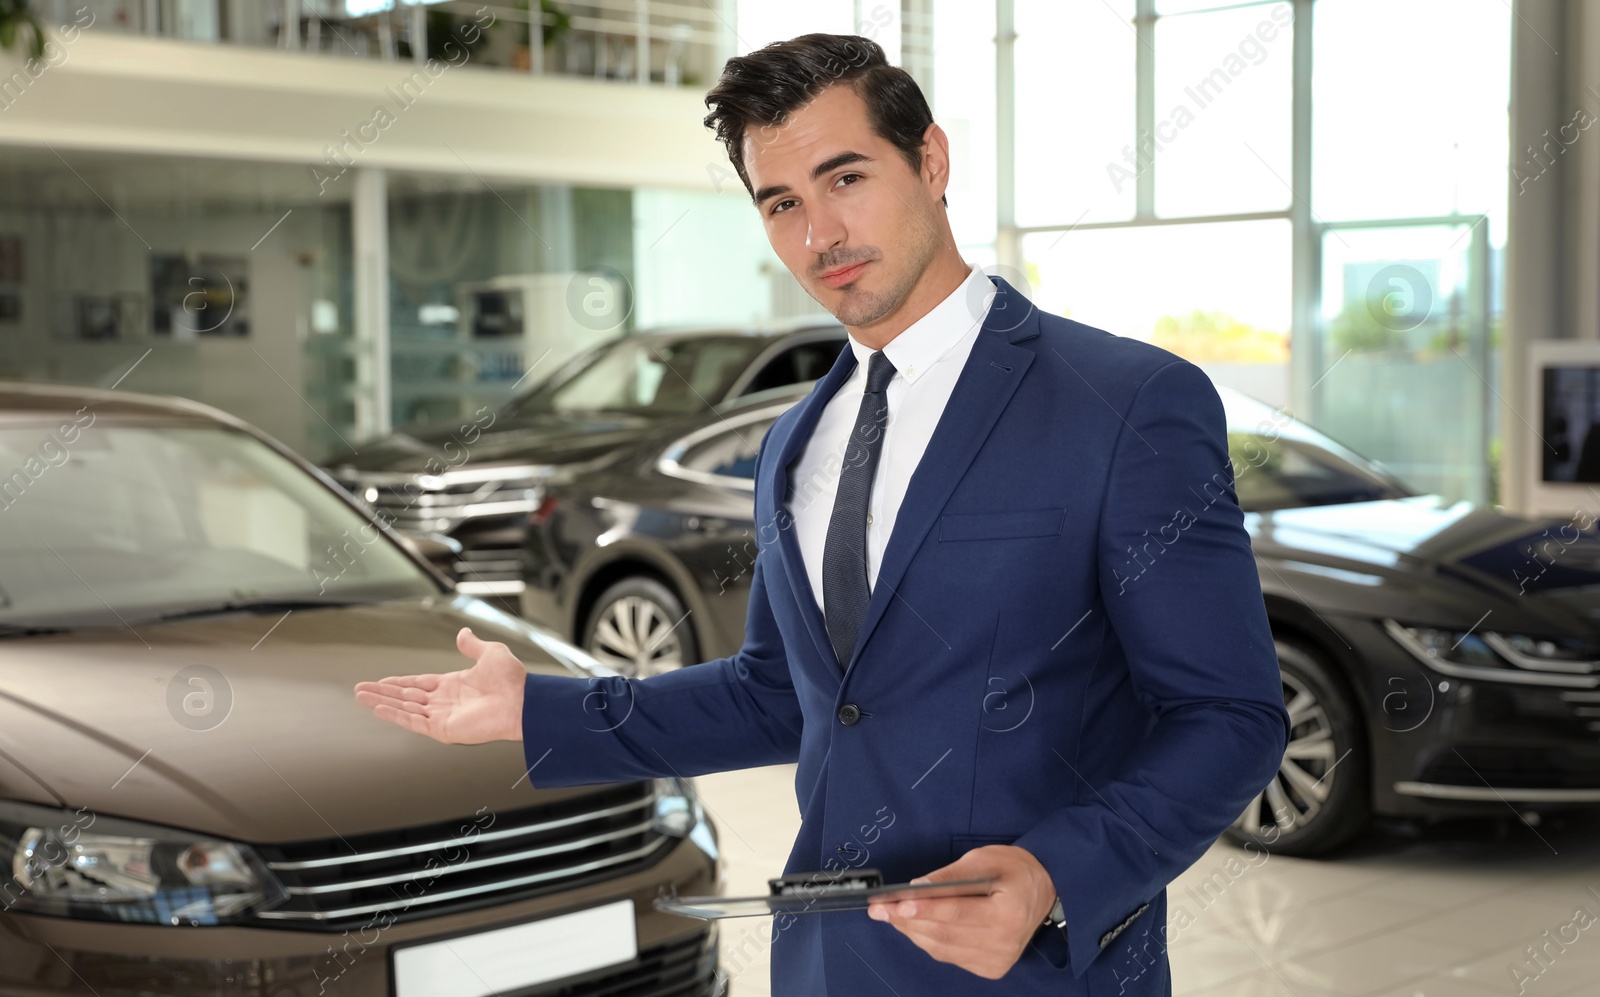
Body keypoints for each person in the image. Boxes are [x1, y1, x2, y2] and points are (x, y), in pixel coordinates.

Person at [354, 32, 1289, 996]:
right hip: (825, 963)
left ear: (931, 160)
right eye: (783, 203)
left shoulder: (1126, 402)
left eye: (846, 178)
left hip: (1042, 968)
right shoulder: (794, 440)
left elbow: (1231, 715)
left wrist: (1058, 874)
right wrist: (539, 711)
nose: (820, 235)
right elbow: (779, 695)